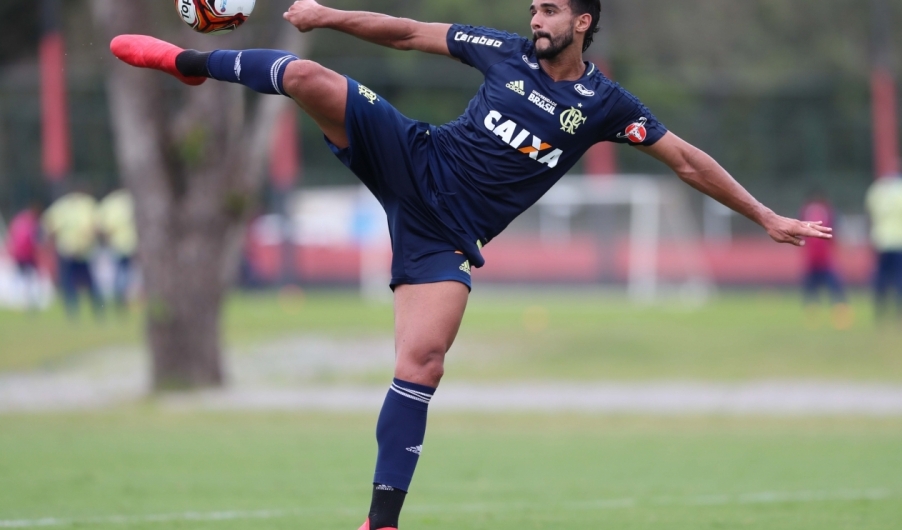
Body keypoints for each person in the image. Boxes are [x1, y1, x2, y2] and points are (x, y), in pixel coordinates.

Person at [110, 1, 831, 528]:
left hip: (445, 236)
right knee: (303, 74)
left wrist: (764, 215)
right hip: (411, 154)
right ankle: (190, 65)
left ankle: (380, 523)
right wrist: (327, 14)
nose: (536, 18)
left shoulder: (606, 104)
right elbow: (405, 33)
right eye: (534, 8)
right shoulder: (503, 49)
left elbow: (687, 161)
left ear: (584, 22)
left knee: (422, 363)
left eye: (549, 10)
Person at [865, 172, 902, 324]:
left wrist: (871, 237)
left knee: (882, 277)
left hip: (881, 240)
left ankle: (880, 311)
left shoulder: (878, 189)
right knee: (901, 277)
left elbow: (870, 217)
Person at [42, 190, 103, 318]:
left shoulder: (63, 206)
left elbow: (49, 226)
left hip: (77, 250)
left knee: (77, 283)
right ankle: (88, 311)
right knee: (82, 283)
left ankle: (81, 311)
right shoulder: (87, 205)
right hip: (73, 250)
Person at [800, 191, 852, 329]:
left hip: (811, 259)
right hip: (826, 259)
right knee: (836, 289)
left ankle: (812, 320)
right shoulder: (829, 211)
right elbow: (835, 234)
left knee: (811, 290)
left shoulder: (805, 211)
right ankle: (841, 318)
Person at [97, 188, 138, 311]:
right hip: (132, 244)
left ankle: (120, 298)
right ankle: (125, 298)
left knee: (119, 273)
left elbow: (101, 227)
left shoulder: (110, 203)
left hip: (117, 245)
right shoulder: (133, 201)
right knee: (129, 273)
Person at [5, 203, 43, 310]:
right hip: (27, 254)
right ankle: (27, 300)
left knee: (20, 277)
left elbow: (12, 236)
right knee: (29, 277)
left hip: (17, 253)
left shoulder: (17, 220)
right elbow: (34, 240)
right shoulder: (32, 223)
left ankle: (17, 299)